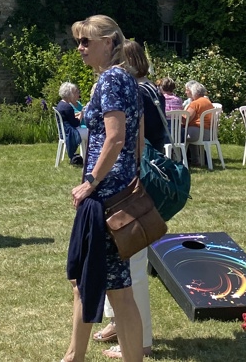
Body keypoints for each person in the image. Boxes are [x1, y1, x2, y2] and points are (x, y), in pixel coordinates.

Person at [64, 15, 144, 362]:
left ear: (109, 42)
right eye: (78, 41)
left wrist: (90, 182)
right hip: (119, 192)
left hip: (105, 197)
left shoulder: (111, 80)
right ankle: (73, 355)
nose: (80, 48)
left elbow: (115, 137)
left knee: (109, 286)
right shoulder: (126, 78)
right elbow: (137, 139)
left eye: (87, 41)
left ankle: (76, 356)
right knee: (103, 283)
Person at [95, 41, 163, 360]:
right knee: (120, 258)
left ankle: (140, 341)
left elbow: (132, 139)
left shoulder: (135, 91)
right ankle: (118, 324)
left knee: (132, 262)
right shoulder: (147, 89)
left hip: (139, 179)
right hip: (147, 174)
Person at [182, 81, 214, 164]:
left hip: (197, 133)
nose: (186, 92)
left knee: (177, 135)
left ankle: (179, 159)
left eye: (187, 90)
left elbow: (186, 120)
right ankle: (195, 160)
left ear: (193, 91)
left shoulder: (195, 103)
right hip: (208, 133)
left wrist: (178, 116)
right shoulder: (207, 102)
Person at [57, 82, 85, 166]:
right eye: (74, 92)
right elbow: (76, 123)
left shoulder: (61, 104)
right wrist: (82, 114)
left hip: (64, 132)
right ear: (69, 93)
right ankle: (88, 156)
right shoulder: (68, 107)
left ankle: (84, 156)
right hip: (70, 132)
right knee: (90, 132)